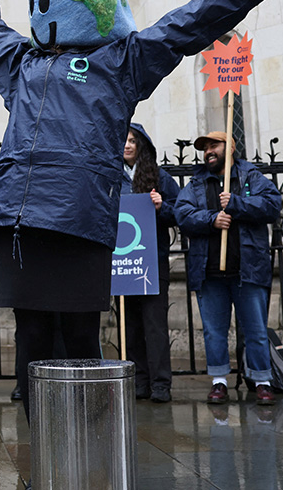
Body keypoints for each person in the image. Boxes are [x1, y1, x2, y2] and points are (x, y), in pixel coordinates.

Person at [0, 0, 283, 419]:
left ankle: (84, 446)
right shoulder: (21, 64)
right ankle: (46, 454)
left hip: (77, 221)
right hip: (19, 224)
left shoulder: (124, 62)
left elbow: (189, 23)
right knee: (32, 340)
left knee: (80, 341)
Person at [174, 131, 282, 405]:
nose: (208, 151)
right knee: (214, 331)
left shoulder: (251, 177)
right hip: (209, 273)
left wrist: (236, 204)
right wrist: (212, 219)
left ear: (230, 147)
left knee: (255, 330)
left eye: (214, 145)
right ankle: (219, 381)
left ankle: (262, 380)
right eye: (205, 148)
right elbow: (183, 214)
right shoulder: (196, 183)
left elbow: (271, 205)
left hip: (247, 270)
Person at [120, 123, 179, 403]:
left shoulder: (159, 176)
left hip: (152, 263)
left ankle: (160, 384)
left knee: (154, 326)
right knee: (130, 327)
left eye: (133, 140)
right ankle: (139, 382)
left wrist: (161, 207)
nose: (128, 145)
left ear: (142, 145)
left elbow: (181, 213)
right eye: (123, 140)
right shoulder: (109, 177)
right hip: (122, 265)